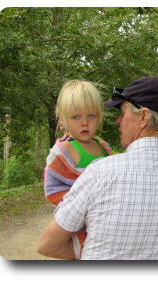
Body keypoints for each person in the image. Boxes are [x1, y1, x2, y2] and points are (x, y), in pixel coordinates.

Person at [38, 76, 158, 260]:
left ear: (144, 116)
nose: (117, 121)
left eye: (123, 113)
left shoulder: (100, 172)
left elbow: (48, 246)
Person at [43, 79, 112, 259]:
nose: (84, 123)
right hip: (80, 225)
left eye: (91, 116)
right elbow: (54, 189)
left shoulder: (103, 146)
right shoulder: (65, 151)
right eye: (76, 117)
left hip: (107, 220)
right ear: (62, 118)